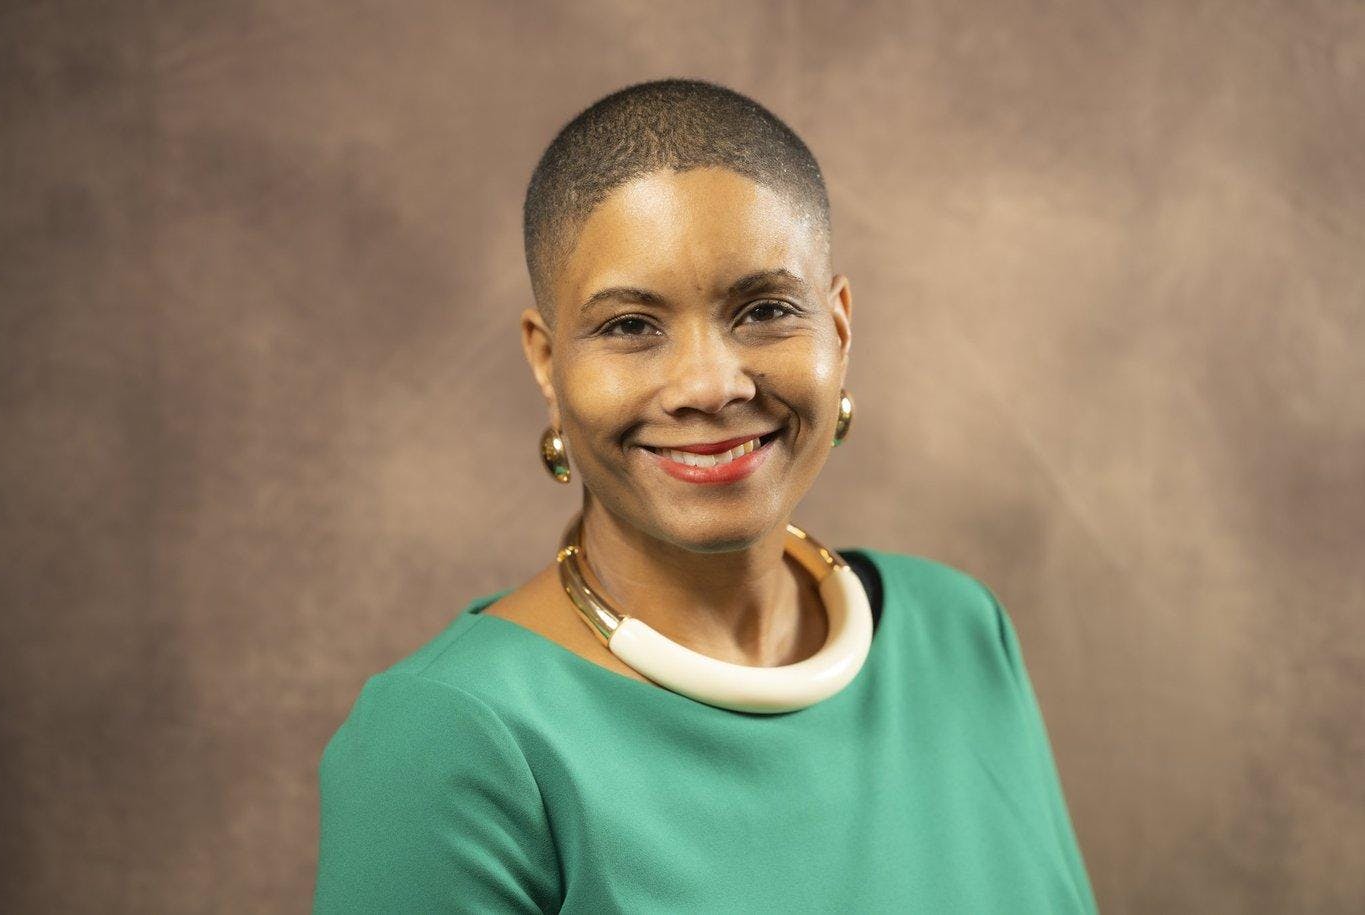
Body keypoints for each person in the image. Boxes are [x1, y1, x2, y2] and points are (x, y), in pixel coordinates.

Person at [312, 77, 1099, 913]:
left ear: (836, 326)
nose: (708, 385)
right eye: (629, 326)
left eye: (763, 309)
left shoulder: (958, 632)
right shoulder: (448, 738)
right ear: (547, 361)